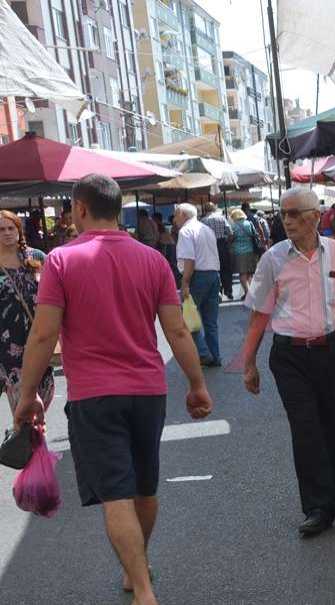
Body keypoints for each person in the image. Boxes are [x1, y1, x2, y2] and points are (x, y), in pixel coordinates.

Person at [14, 174, 212, 605]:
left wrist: (27, 394)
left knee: (116, 494)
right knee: (145, 487)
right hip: (147, 390)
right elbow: (177, 330)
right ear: (118, 208)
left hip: (93, 396)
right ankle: (135, 569)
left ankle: (142, 588)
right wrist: (196, 385)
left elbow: (44, 336)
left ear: (80, 209)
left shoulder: (61, 261)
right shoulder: (154, 260)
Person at [240, 188, 335, 537]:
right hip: (289, 357)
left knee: (333, 425)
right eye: (282, 214)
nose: (286, 220)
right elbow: (260, 314)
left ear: (314, 217)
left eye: (293, 214)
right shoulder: (273, 259)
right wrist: (249, 363)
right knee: (305, 428)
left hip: (334, 352)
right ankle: (317, 506)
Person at [0, 210, 54, 426]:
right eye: (1, 229)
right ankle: (30, 455)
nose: (6, 233)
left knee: (42, 399)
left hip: (38, 340)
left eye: (11, 228)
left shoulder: (37, 258)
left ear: (19, 230)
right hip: (6, 347)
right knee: (25, 416)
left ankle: (32, 451)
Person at [175, 203, 222, 367]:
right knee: (210, 320)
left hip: (198, 276)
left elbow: (189, 259)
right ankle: (215, 356)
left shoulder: (185, 231)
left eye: (175, 215)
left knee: (188, 316)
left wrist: (185, 282)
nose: (174, 219)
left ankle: (203, 353)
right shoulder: (206, 229)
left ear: (182, 214)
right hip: (213, 274)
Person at [200, 203, 234, 300]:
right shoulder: (221, 218)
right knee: (226, 268)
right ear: (214, 208)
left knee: (214, 269)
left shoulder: (203, 221)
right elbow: (230, 233)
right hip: (222, 244)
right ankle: (228, 290)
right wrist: (227, 242)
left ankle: (217, 291)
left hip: (209, 246)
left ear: (205, 209)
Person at [229, 208, 257, 300]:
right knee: (249, 273)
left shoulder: (234, 226)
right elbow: (255, 234)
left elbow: (231, 238)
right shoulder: (249, 223)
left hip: (239, 252)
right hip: (250, 250)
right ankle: (249, 291)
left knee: (242, 274)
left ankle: (248, 293)